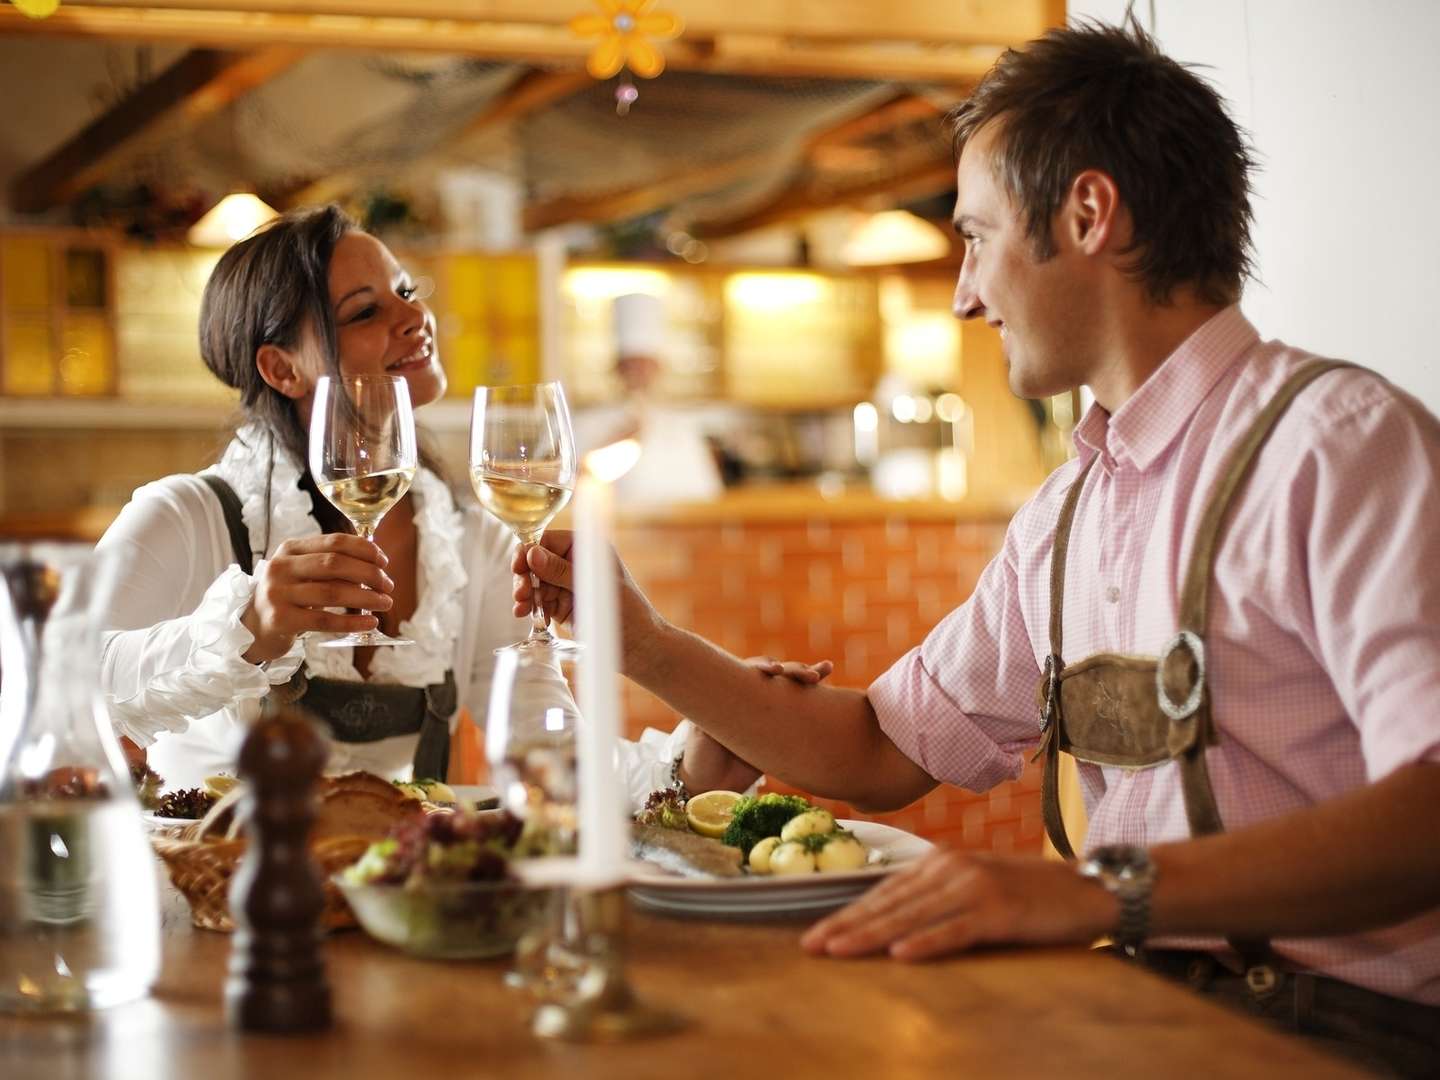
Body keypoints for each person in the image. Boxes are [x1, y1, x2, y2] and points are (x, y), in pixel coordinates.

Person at [515, 21, 1440, 1073]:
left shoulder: (1340, 444)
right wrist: (641, 643)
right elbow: (876, 750)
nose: (963, 293)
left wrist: (1088, 893)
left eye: (976, 234)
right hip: (1139, 1009)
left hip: (1354, 1033)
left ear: (1088, 214)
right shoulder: (1064, 515)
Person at [94, 205, 758, 807]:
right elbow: (54, 688)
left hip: (405, 911)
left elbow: (550, 759)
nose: (415, 318)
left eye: (406, 292)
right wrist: (247, 626)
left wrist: (687, 769)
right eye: (365, 312)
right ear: (280, 368)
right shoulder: (189, 516)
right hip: (226, 913)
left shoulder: (469, 543)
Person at [572, 292, 727, 503]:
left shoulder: (682, 427)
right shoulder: (585, 424)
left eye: (646, 365)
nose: (640, 374)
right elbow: (567, 488)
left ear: (659, 368)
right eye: (632, 365)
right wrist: (616, 440)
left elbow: (708, 496)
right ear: (617, 368)